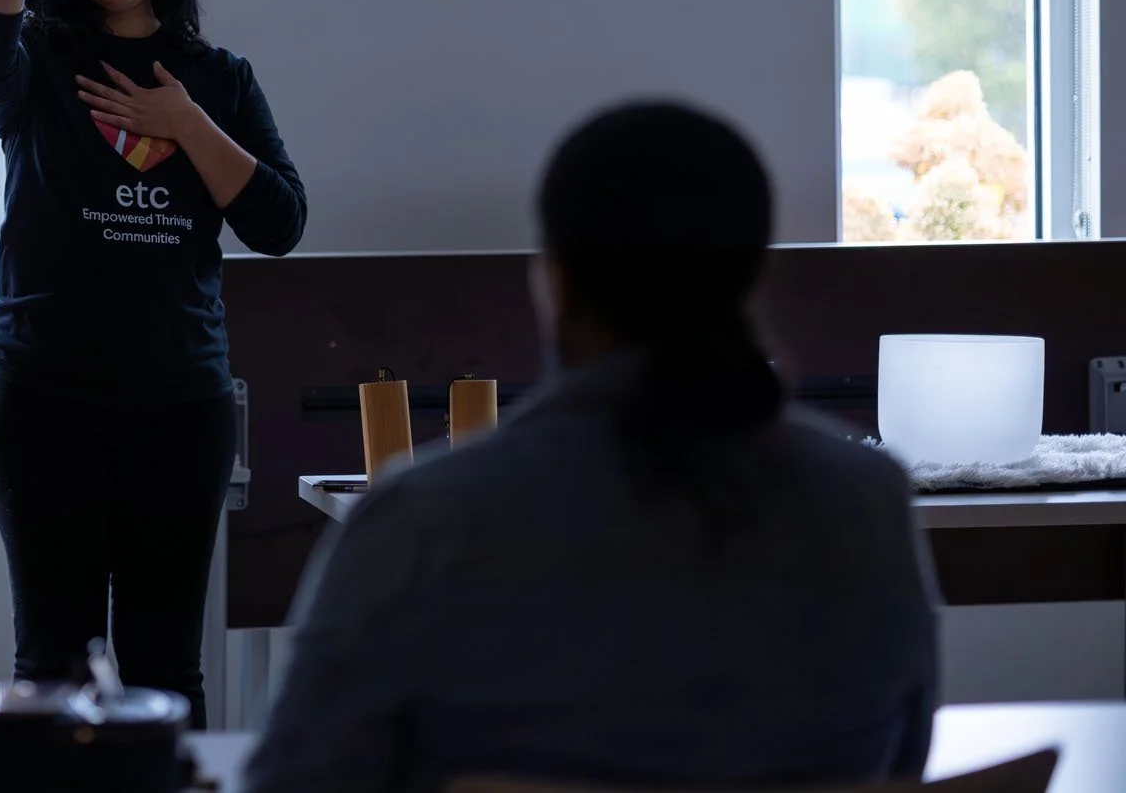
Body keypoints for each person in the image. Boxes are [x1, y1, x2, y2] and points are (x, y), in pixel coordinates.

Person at [244, 102, 939, 792]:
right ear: (753, 273)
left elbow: (296, 780)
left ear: (556, 278)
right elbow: (905, 760)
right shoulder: (864, 500)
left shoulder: (423, 521)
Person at [0, 0, 307, 728]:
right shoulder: (41, 58)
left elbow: (279, 223)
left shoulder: (219, 78)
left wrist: (185, 121)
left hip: (179, 411)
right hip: (44, 404)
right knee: (53, 671)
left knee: (166, 672)